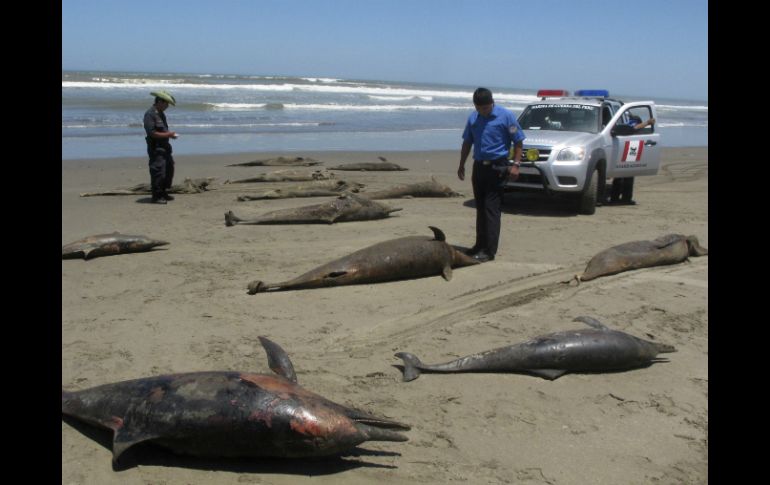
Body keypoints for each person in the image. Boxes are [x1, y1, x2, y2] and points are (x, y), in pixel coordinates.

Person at [458, 88, 525, 262]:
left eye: (486, 108)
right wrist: (461, 164)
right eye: (480, 108)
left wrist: (516, 165)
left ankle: (489, 251)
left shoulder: (506, 116)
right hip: (479, 167)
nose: (483, 112)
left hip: (498, 168)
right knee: (480, 208)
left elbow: (518, 141)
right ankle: (479, 245)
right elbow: (467, 142)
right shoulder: (473, 118)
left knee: (491, 209)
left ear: (492, 103)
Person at [144, 91, 179, 204]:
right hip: (156, 148)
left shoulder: (161, 114)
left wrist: (169, 135)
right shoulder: (150, 114)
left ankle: (163, 192)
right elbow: (152, 133)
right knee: (158, 172)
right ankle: (157, 196)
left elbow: (163, 130)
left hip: (165, 147)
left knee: (169, 170)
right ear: (159, 101)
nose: (167, 106)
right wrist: (169, 134)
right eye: (166, 104)